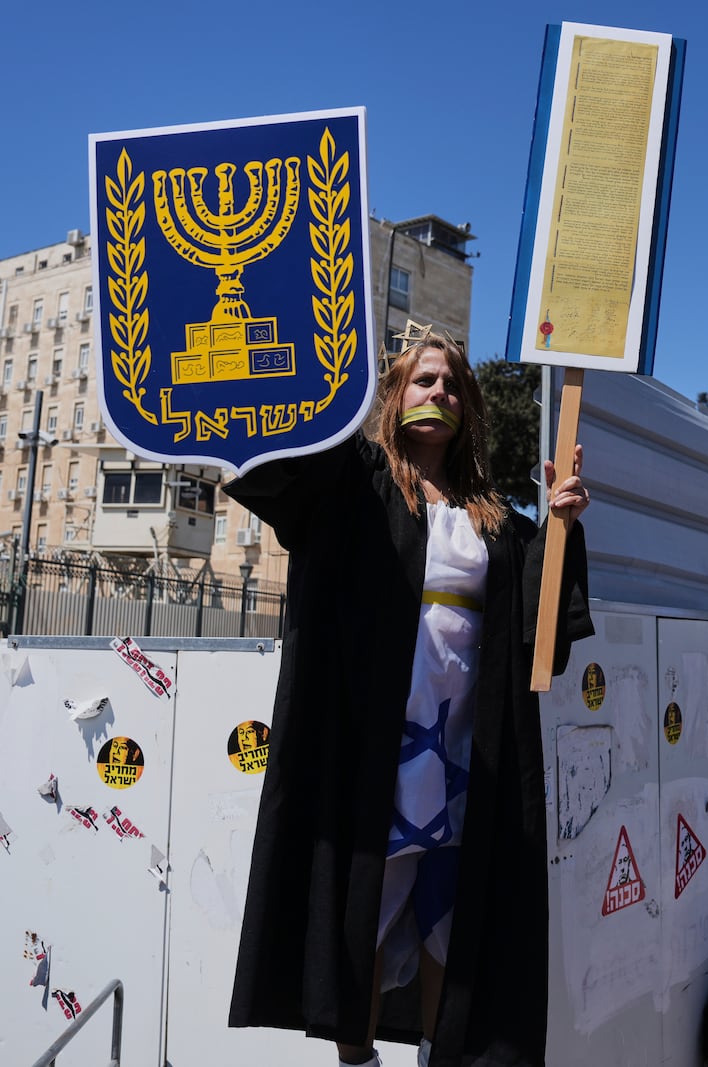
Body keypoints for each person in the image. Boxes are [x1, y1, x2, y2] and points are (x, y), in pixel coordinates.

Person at [224, 329, 594, 1067]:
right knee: (357, 930)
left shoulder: (499, 525)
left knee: (448, 938)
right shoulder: (356, 486)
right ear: (393, 395)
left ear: (470, 409)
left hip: (463, 772)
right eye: (423, 380)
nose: (439, 393)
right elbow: (272, 466)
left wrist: (562, 528)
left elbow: (543, 641)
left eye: (453, 384)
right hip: (375, 770)